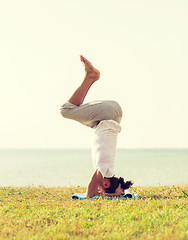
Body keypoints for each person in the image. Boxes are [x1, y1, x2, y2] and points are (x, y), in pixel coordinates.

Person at [60, 55, 133, 198]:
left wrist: (112, 193)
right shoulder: (105, 171)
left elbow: (96, 187)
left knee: (72, 111)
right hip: (108, 114)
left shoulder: (106, 170)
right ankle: (90, 77)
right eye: (119, 193)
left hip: (104, 119)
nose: (99, 192)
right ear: (106, 184)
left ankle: (91, 77)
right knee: (66, 110)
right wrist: (93, 196)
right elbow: (91, 191)